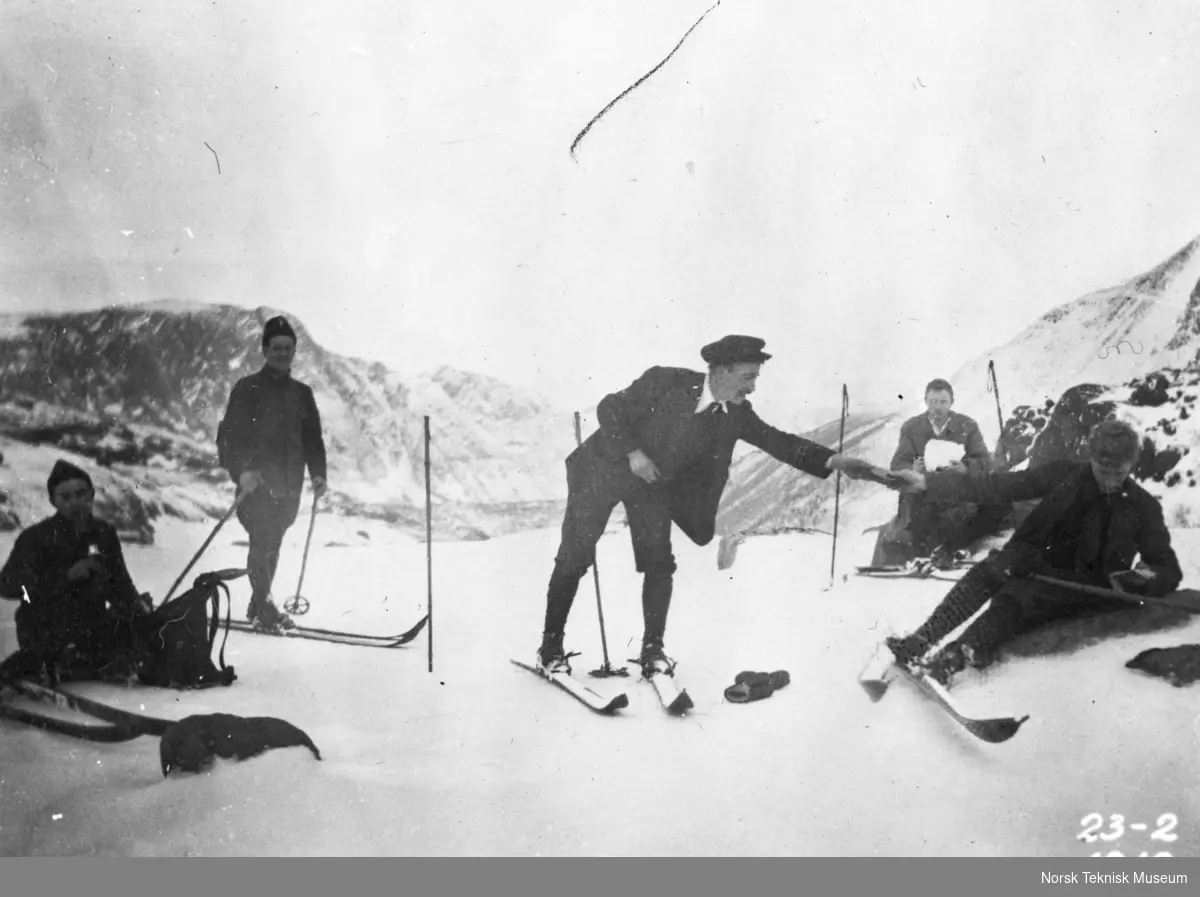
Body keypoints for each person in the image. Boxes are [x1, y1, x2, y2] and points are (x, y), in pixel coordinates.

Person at [536, 335, 883, 677]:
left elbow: (780, 443)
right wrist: (633, 453)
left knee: (659, 563)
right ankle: (550, 649)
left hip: (652, 483)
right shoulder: (666, 381)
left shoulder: (736, 413)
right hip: (603, 469)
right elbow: (609, 408)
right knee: (575, 556)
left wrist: (837, 461)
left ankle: (653, 651)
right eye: (748, 377)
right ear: (722, 372)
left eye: (755, 378)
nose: (752, 388)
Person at [883, 418, 1182, 686]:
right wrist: (928, 483)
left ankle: (952, 660)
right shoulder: (1065, 474)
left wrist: (1140, 578)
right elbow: (998, 486)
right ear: (1090, 457)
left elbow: (1167, 568)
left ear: (1130, 465)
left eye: (1117, 471)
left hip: (1087, 585)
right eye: (1102, 469)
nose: (1108, 478)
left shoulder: (1143, 506)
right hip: (1038, 563)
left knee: (1019, 595)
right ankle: (920, 641)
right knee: (992, 568)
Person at [0, 460, 153, 684]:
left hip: (90, 627)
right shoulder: (36, 538)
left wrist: (139, 612)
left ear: (91, 495)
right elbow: (7, 586)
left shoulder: (103, 532)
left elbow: (120, 583)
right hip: (45, 627)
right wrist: (65, 577)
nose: (76, 503)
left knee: (138, 628)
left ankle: (81, 663)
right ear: (53, 501)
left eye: (81, 494)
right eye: (65, 497)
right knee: (37, 658)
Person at [219, 315, 327, 632]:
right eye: (276, 347)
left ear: (294, 352)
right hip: (257, 485)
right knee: (262, 540)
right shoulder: (247, 388)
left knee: (273, 543)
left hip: (290, 485)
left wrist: (318, 474)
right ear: (265, 350)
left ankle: (259, 602)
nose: (282, 353)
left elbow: (313, 440)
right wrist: (242, 473)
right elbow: (229, 438)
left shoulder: (302, 394)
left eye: (287, 348)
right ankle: (264, 606)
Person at [872, 378, 1007, 567]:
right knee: (920, 514)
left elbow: (985, 461)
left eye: (943, 402)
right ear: (926, 401)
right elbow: (897, 464)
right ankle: (924, 558)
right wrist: (912, 468)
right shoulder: (912, 427)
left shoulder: (967, 426)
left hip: (957, 490)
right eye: (933, 401)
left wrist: (965, 467)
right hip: (923, 491)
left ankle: (953, 551)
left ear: (952, 402)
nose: (937, 407)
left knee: (980, 509)